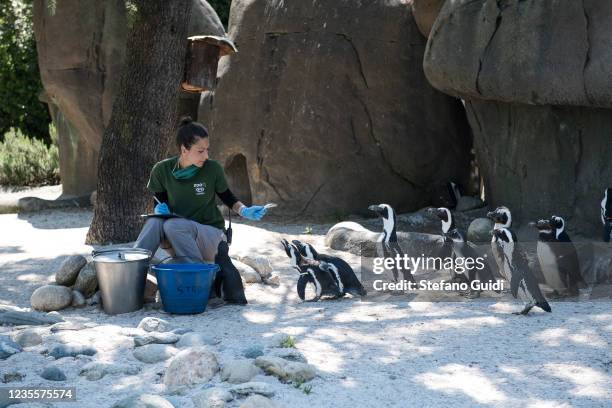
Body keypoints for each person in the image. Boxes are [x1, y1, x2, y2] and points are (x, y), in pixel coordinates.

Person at [134, 116, 268, 304]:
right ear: (184, 150)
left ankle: (201, 280)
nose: (206, 156)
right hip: (178, 237)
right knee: (155, 222)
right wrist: (158, 209)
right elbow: (159, 203)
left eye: (207, 150)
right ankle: (131, 274)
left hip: (210, 236)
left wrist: (245, 210)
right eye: (200, 151)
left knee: (173, 226)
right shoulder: (161, 170)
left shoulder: (212, 169)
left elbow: (228, 198)